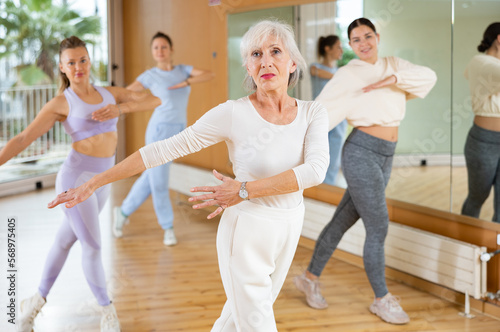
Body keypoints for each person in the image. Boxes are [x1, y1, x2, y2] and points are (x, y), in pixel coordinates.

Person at [48, 20, 329, 332]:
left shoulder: (312, 112)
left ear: (292, 62)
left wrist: (245, 188)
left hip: (290, 225)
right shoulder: (233, 113)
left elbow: (315, 171)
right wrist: (93, 182)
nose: (265, 61)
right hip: (247, 231)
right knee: (258, 323)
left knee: (235, 320)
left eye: (275, 51)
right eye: (255, 54)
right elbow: (162, 150)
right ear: (248, 67)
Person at [1, 36, 161, 332]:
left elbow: (154, 99)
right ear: (62, 67)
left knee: (65, 241)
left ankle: (33, 304)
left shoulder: (109, 93)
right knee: (93, 244)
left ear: (89, 61)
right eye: (71, 62)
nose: (78, 67)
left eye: (82, 60)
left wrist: (120, 109)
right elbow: (23, 138)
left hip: (103, 181)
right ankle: (107, 312)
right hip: (76, 180)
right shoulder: (61, 103)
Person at [294, 18, 437, 325]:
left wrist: (393, 79)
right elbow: (320, 112)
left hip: (386, 155)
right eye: (356, 40)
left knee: (342, 220)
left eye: (367, 36)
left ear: (377, 37)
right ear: (350, 45)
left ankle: (309, 277)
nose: (363, 43)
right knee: (378, 225)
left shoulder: (392, 64)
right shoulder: (348, 74)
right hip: (360, 152)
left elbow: (428, 77)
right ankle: (381, 299)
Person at [112, 32, 215, 245]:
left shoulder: (182, 70)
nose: (160, 51)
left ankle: (122, 213)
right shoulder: (150, 76)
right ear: (152, 52)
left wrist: (186, 82)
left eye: (163, 47)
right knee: (158, 181)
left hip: (179, 131)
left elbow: (208, 74)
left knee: (150, 178)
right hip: (158, 131)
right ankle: (167, 227)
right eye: (156, 48)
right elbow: (125, 92)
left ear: (171, 49)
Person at [461, 22, 500, 223]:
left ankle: (498, 250)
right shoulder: (481, 62)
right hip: (484, 141)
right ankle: (465, 245)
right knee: (477, 198)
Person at [310, 35, 347, 187]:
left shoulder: (341, 72)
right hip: (319, 118)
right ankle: (316, 188)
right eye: (338, 46)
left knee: (333, 158)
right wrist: (343, 77)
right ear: (327, 49)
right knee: (317, 156)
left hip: (338, 119)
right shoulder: (315, 68)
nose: (341, 50)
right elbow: (326, 75)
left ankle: (328, 188)